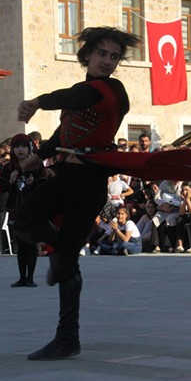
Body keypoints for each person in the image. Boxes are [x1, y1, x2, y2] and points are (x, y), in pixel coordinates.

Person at [15, 27, 140, 360]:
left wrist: (38, 102)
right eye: (102, 54)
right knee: (24, 222)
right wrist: (36, 158)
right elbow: (62, 133)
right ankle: (63, 248)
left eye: (114, 57)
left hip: (90, 180)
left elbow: (79, 98)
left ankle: (67, 337)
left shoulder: (112, 89)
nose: (108, 62)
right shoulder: (79, 91)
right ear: (87, 55)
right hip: (66, 173)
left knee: (66, 259)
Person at [0, 133, 45, 287]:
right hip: (16, 209)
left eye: (23, 146)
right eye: (17, 147)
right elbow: (3, 188)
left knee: (30, 243)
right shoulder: (8, 167)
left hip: (32, 209)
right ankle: (21, 277)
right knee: (20, 244)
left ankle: (30, 277)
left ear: (29, 148)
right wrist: (11, 180)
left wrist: (32, 183)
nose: (20, 150)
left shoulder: (37, 165)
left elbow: (44, 186)